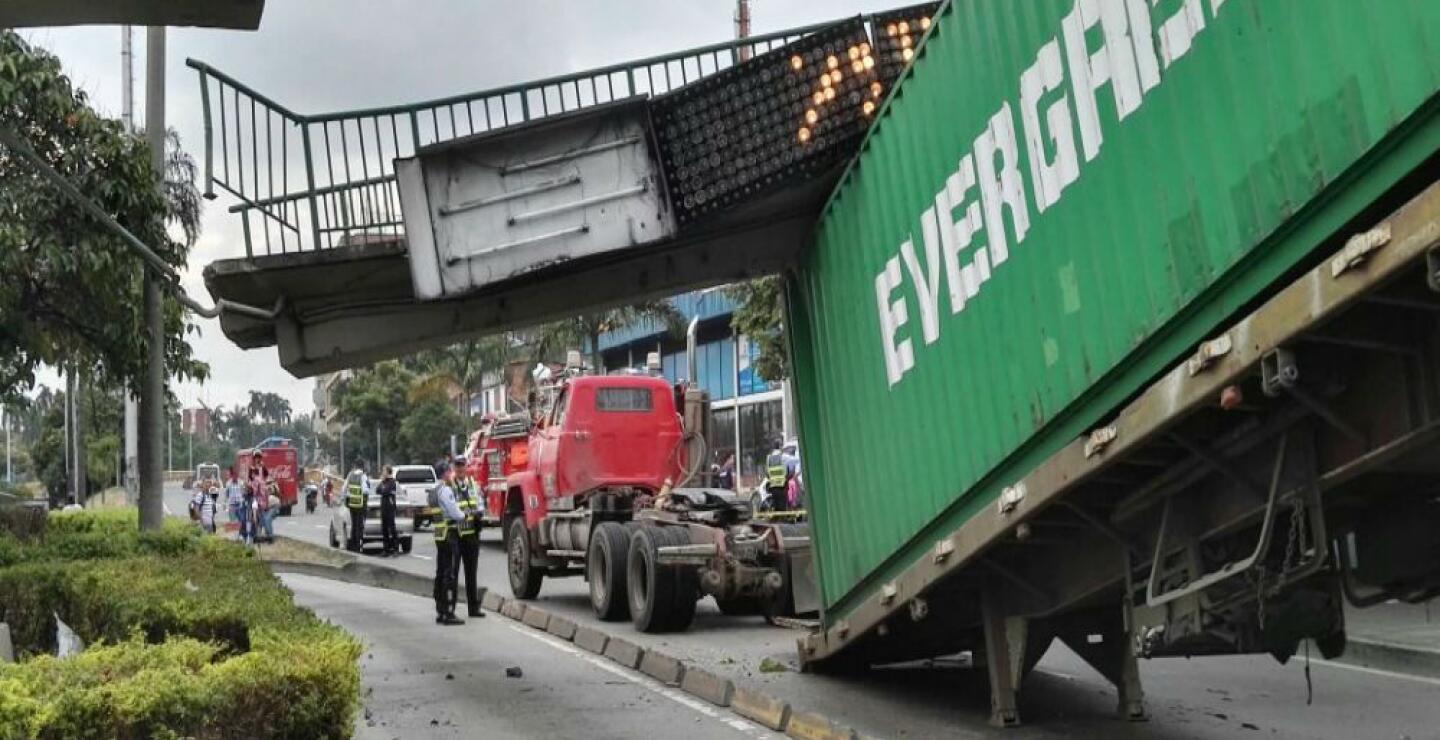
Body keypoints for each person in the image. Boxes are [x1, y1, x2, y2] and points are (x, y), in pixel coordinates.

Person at [432, 463, 467, 625]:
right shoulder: (445, 490)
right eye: (449, 471)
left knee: (440, 573)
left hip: (439, 534)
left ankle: (440, 610)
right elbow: (453, 511)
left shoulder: (433, 491)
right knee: (449, 574)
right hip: (449, 533)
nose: (451, 473)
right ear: (445, 473)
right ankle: (448, 612)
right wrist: (464, 515)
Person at [454, 468, 485, 617]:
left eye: (462, 465)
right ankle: (450, 609)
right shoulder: (451, 486)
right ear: (454, 468)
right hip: (456, 535)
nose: (460, 469)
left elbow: (480, 502)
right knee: (452, 574)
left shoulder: (473, 484)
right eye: (457, 465)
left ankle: (473, 608)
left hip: (471, 534)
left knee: (471, 574)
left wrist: (479, 512)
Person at [345, 464, 372, 551]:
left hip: (352, 504)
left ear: (355, 467)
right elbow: (365, 490)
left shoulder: (350, 475)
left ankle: (353, 545)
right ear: (362, 468)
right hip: (360, 505)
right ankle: (357, 545)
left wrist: (346, 498)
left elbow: (344, 488)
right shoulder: (363, 476)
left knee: (354, 525)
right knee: (359, 525)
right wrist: (368, 490)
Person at [377, 466, 399, 556]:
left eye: (384, 471)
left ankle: (395, 549)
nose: (382, 472)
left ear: (388, 472)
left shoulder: (392, 482)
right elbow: (378, 490)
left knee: (392, 529)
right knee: (384, 529)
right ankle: (386, 549)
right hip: (384, 507)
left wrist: (383, 489)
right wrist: (382, 484)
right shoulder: (383, 482)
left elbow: (386, 491)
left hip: (390, 508)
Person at [764, 440, 789, 513]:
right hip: (782, 485)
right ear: (780, 447)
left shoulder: (769, 458)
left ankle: (777, 519)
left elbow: (767, 472)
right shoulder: (783, 457)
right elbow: (785, 471)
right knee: (782, 505)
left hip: (773, 485)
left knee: (776, 505)